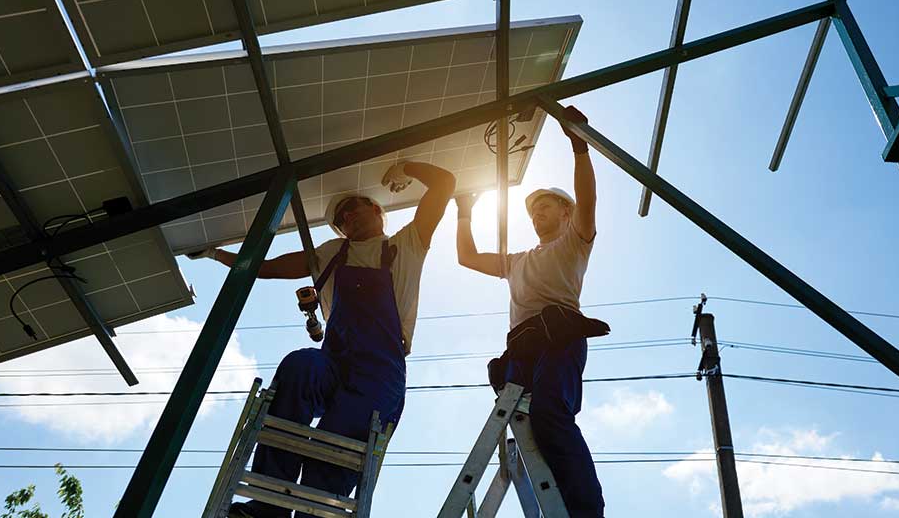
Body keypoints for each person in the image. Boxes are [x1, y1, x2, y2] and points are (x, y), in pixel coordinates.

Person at [190, 160, 455, 518]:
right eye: (340, 218)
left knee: (336, 445)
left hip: (378, 373)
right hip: (334, 361)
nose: (347, 218)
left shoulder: (408, 243)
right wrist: (215, 254)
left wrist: (404, 167)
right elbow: (266, 268)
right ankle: (267, 505)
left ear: (376, 209)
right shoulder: (332, 253)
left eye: (352, 209)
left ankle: (313, 513)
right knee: (299, 366)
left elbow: (445, 183)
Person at [453, 105, 606, 517]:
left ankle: (587, 510)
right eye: (533, 208)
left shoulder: (574, 242)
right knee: (521, 422)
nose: (537, 212)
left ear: (566, 213)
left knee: (550, 415)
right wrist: (464, 208)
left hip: (560, 339)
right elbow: (467, 257)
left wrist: (579, 147)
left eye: (546, 206)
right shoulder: (516, 260)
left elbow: (589, 200)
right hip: (522, 348)